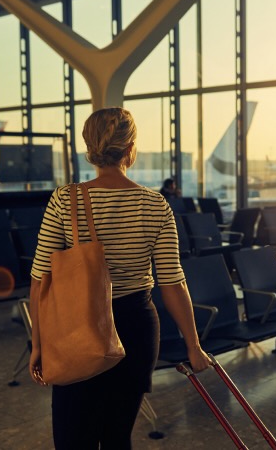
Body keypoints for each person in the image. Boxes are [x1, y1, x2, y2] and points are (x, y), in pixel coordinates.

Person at [29, 107, 211, 449]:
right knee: (117, 437)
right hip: (136, 328)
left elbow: (41, 281)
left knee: (73, 439)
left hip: (75, 326)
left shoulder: (64, 200)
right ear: (131, 149)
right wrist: (194, 345)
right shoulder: (156, 205)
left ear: (90, 149)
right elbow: (172, 282)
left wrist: (38, 344)